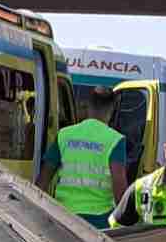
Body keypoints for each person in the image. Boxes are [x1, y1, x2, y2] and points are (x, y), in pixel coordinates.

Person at [36, 85, 129, 229]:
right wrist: (125, 222)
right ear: (112, 109)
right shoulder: (115, 140)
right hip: (99, 221)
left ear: (88, 106)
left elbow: (42, 181)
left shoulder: (64, 135)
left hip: (64, 217)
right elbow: (119, 188)